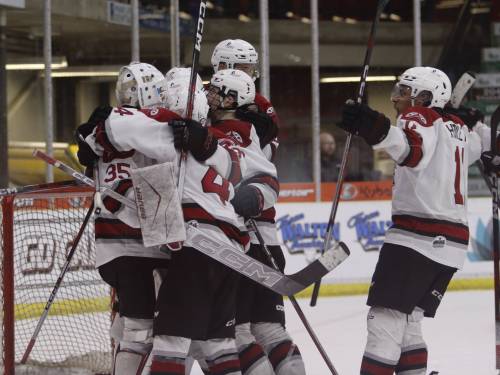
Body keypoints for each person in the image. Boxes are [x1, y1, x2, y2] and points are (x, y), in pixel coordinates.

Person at [337, 66, 495, 375]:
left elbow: (412, 149)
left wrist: (377, 128)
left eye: (404, 92)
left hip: (416, 238)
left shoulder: (420, 117)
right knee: (408, 323)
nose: (396, 98)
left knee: (384, 320)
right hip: (451, 247)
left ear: (425, 97)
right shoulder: (458, 129)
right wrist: (474, 122)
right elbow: (486, 146)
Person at [211, 39, 306, 375]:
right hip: (252, 232)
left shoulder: (256, 106)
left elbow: (258, 163)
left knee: (240, 332)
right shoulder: (211, 105)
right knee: (265, 328)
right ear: (220, 67)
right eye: (239, 68)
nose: (247, 75)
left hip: (242, 233)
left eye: (250, 68)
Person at [74, 62, 174, 375]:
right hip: (138, 244)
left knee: (140, 322)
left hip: (114, 248)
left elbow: (86, 154)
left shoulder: (105, 124)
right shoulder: (148, 124)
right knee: (144, 327)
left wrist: (86, 134)